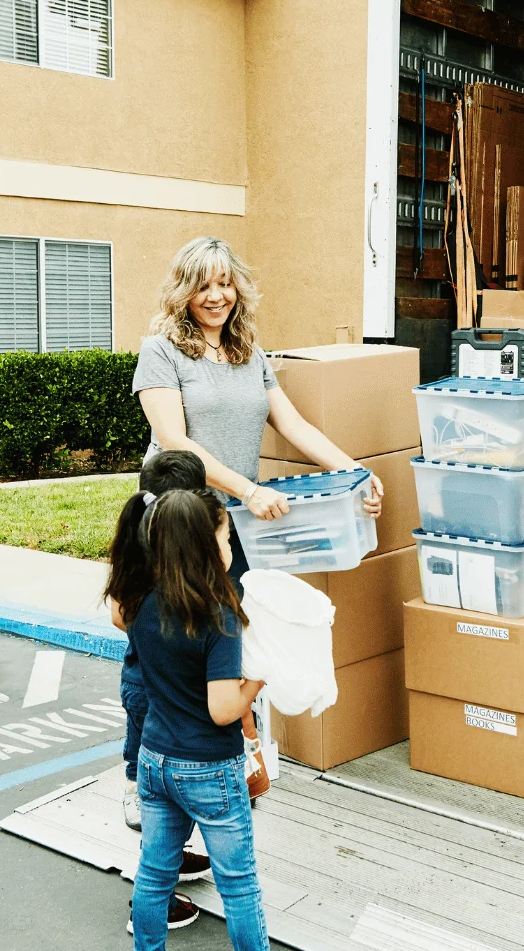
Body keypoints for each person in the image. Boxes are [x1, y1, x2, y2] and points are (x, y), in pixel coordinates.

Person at [133, 236, 382, 580]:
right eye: (203, 286)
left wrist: (356, 473)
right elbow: (175, 442)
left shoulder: (250, 353)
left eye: (225, 283)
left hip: (237, 515)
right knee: (181, 623)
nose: (216, 296)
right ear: (183, 292)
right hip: (179, 515)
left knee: (239, 616)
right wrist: (249, 491)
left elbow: (294, 425)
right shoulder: (161, 352)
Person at [113, 488, 269, 951]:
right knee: (238, 885)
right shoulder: (216, 616)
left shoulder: (138, 601)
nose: (229, 550)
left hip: (155, 759)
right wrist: (259, 679)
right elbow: (223, 709)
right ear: (204, 546)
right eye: (225, 540)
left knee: (155, 874)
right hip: (209, 768)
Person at [102, 450, 216, 933]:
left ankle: (167, 860)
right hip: (163, 696)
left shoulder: (137, 539)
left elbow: (117, 614)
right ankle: (152, 899)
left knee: (160, 791)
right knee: (167, 793)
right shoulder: (167, 560)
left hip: (141, 685)